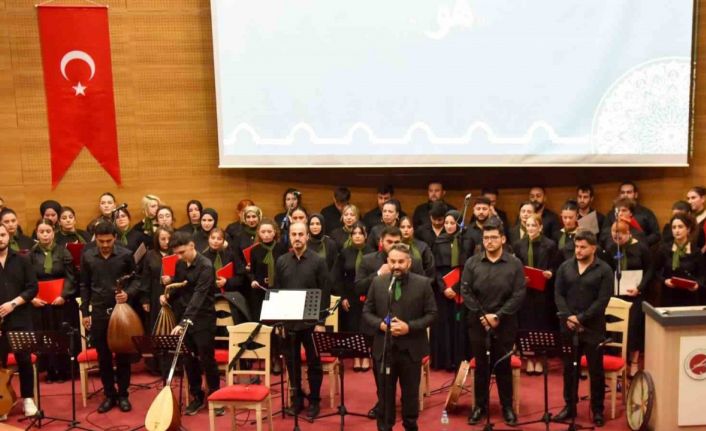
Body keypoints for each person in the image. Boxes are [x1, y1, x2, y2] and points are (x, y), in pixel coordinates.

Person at [362, 243, 437, 431]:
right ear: (387, 261)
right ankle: (384, 427)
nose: (396, 266)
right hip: (383, 349)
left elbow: (432, 314)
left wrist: (408, 327)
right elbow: (367, 311)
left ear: (409, 262)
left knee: (410, 396)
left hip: (411, 349)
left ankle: (410, 426)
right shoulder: (378, 283)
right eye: (393, 261)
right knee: (385, 396)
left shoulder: (423, 284)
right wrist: (381, 324)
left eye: (401, 262)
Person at [461, 223, 525, 426]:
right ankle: (480, 407)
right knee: (481, 366)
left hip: (505, 323)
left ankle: (507, 407)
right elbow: (466, 291)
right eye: (486, 238)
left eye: (494, 237)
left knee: (503, 366)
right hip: (478, 322)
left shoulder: (514, 264)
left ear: (503, 239)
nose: (489, 242)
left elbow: (519, 294)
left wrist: (497, 316)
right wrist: (484, 316)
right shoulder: (472, 263)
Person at [554, 230, 612, 427]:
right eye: (576, 247)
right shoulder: (565, 267)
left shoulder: (604, 270)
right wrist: (568, 316)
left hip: (593, 328)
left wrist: (581, 318)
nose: (578, 250)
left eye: (583, 247)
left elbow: (603, 300)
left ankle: (597, 410)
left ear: (593, 248)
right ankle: (570, 406)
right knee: (569, 369)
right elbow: (558, 294)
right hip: (568, 326)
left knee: (596, 371)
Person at [80, 222, 140, 413]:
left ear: (115, 237)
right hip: (99, 311)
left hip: (121, 311)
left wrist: (128, 294)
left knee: (123, 354)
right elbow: (84, 285)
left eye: (108, 241)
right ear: (95, 239)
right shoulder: (88, 256)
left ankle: (123, 395)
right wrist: (85, 312)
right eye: (101, 241)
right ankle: (109, 395)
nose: (105, 245)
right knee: (103, 356)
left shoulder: (126, 255)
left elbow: (137, 280)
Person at [163, 231, 222, 416]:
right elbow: (181, 287)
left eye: (182, 252)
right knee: (188, 359)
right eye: (176, 254)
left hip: (203, 318)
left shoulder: (206, 266)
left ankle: (216, 396)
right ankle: (197, 396)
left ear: (192, 245)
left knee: (207, 359)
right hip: (184, 316)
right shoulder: (180, 264)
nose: (179, 257)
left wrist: (185, 321)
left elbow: (199, 295)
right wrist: (167, 296)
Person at [275, 222, 330, 420]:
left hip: (311, 321)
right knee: (292, 362)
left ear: (307, 236)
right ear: (289, 237)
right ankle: (297, 399)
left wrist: (321, 322)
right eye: (294, 234)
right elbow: (277, 290)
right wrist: (279, 322)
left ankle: (314, 400)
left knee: (314, 362)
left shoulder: (318, 261)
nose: (297, 238)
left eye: (301, 234)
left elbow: (325, 291)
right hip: (289, 321)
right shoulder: (282, 261)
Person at [601, 221, 653, 377]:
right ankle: (619, 361)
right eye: (614, 238)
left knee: (633, 328)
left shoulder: (641, 248)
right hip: (617, 294)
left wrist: (640, 288)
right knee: (616, 329)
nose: (617, 241)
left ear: (628, 233)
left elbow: (650, 269)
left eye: (620, 238)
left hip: (635, 295)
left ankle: (634, 362)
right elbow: (608, 269)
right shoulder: (612, 248)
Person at [29, 219, 76, 383]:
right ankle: (50, 370)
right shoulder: (31, 255)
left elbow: (71, 277)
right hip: (41, 303)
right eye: (41, 232)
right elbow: (28, 280)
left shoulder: (63, 252)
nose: (45, 235)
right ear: (36, 233)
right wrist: (33, 298)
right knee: (45, 336)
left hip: (60, 302)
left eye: (48, 231)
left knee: (61, 335)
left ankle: (64, 370)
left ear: (53, 232)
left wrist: (63, 295)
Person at [0, 224, 39, 420]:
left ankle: (28, 399)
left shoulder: (22, 260)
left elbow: (32, 288)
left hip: (20, 317)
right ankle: (3, 401)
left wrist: (13, 304)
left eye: (2, 235)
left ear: (8, 236)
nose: (0, 239)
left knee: (24, 360)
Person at [512, 213, 557, 375]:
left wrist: (550, 273)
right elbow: (516, 266)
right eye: (528, 225)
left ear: (540, 227)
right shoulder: (519, 245)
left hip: (543, 291)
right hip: (526, 291)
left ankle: (540, 359)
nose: (530, 228)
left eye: (534, 225)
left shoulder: (550, 245)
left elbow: (555, 266)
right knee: (527, 324)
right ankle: (529, 359)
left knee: (541, 324)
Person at [431, 210, 469, 371]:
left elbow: (468, 267)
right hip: (443, 290)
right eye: (446, 223)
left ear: (459, 224)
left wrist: (455, 288)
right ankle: (444, 360)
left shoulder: (466, 241)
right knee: (443, 324)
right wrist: (444, 287)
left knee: (458, 324)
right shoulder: (438, 241)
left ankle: (458, 360)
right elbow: (434, 268)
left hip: (460, 289)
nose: (448, 226)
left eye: (452, 223)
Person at [334, 222, 373, 370]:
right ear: (350, 236)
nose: (357, 236)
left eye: (360, 233)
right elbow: (338, 277)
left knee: (367, 325)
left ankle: (366, 356)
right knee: (353, 325)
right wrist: (342, 296)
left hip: (368, 293)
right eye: (354, 233)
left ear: (365, 236)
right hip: (350, 294)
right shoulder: (345, 253)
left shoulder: (372, 252)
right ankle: (356, 356)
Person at [655, 213, 705, 307]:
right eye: (674, 227)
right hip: (669, 295)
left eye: (680, 227)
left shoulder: (696, 252)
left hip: (690, 297)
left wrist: (697, 285)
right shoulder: (664, 249)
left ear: (688, 229)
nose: (676, 230)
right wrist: (664, 281)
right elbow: (655, 271)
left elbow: (702, 275)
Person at [247, 218, 288, 320]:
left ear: (275, 232)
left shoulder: (282, 248)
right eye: (263, 232)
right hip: (260, 290)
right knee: (261, 319)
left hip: (278, 289)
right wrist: (253, 280)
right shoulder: (254, 250)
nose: (266, 235)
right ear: (258, 233)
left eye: (269, 232)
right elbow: (252, 271)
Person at [600, 181, 660, 247]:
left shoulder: (646, 213)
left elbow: (656, 234)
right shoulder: (611, 214)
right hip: (616, 248)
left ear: (636, 195)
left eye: (629, 192)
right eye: (622, 192)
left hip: (640, 248)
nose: (625, 195)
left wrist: (640, 242)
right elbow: (604, 234)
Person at [202, 227, 239, 292]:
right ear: (208, 239)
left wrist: (226, 281)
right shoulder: (203, 257)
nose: (215, 241)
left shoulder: (231, 255)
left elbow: (240, 277)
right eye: (213, 238)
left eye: (219, 239)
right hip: (209, 293)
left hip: (228, 292)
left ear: (223, 241)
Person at [307, 214, 339, 281]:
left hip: (327, 282)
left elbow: (335, 267)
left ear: (322, 225)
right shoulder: (305, 244)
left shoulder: (331, 244)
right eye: (312, 224)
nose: (315, 227)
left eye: (318, 224)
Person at [686, 186, 706, 251]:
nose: (689, 201)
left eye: (693, 198)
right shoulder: (686, 217)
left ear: (703, 199)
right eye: (688, 198)